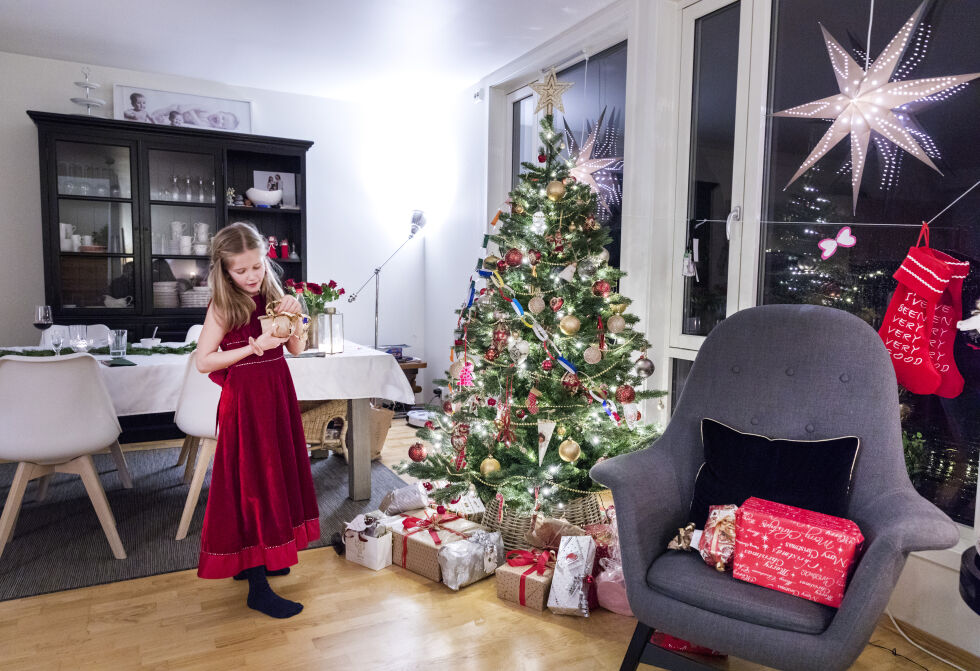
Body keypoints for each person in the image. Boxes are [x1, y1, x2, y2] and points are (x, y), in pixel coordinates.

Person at [194, 222, 319, 619]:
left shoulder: (274, 294)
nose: (252, 276)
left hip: (277, 394)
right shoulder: (223, 306)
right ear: (225, 270)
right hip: (244, 402)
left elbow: (297, 349)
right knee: (250, 484)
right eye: (241, 270)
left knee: (276, 475)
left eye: (257, 267)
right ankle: (255, 582)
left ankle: (267, 554)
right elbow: (203, 362)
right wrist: (253, 346)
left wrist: (299, 314)